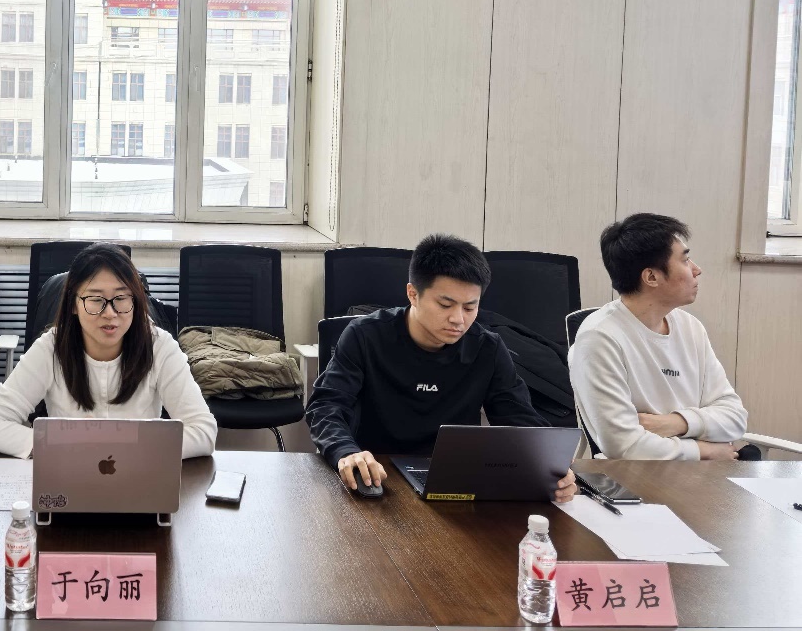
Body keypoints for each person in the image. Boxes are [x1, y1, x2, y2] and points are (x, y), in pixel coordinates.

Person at [307, 233, 576, 502]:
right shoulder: (365, 335)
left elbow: (520, 421)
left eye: (470, 307)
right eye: (445, 305)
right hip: (376, 473)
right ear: (413, 294)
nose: (458, 319)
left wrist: (550, 467)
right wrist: (346, 451)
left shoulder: (487, 348)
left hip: (455, 479)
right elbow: (326, 406)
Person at [0, 243, 216, 459]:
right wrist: (60, 445)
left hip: (138, 478)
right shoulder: (51, 348)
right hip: (68, 477)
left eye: (121, 298)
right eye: (95, 299)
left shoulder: (159, 347)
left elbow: (203, 430)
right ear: (73, 304)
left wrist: (127, 448)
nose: (110, 313)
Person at [569, 213, 747, 461]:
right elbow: (623, 446)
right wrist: (705, 450)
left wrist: (676, 423)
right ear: (651, 277)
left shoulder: (691, 327)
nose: (696, 270)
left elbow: (735, 418)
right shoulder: (599, 338)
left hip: (699, 474)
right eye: (685, 260)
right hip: (637, 478)